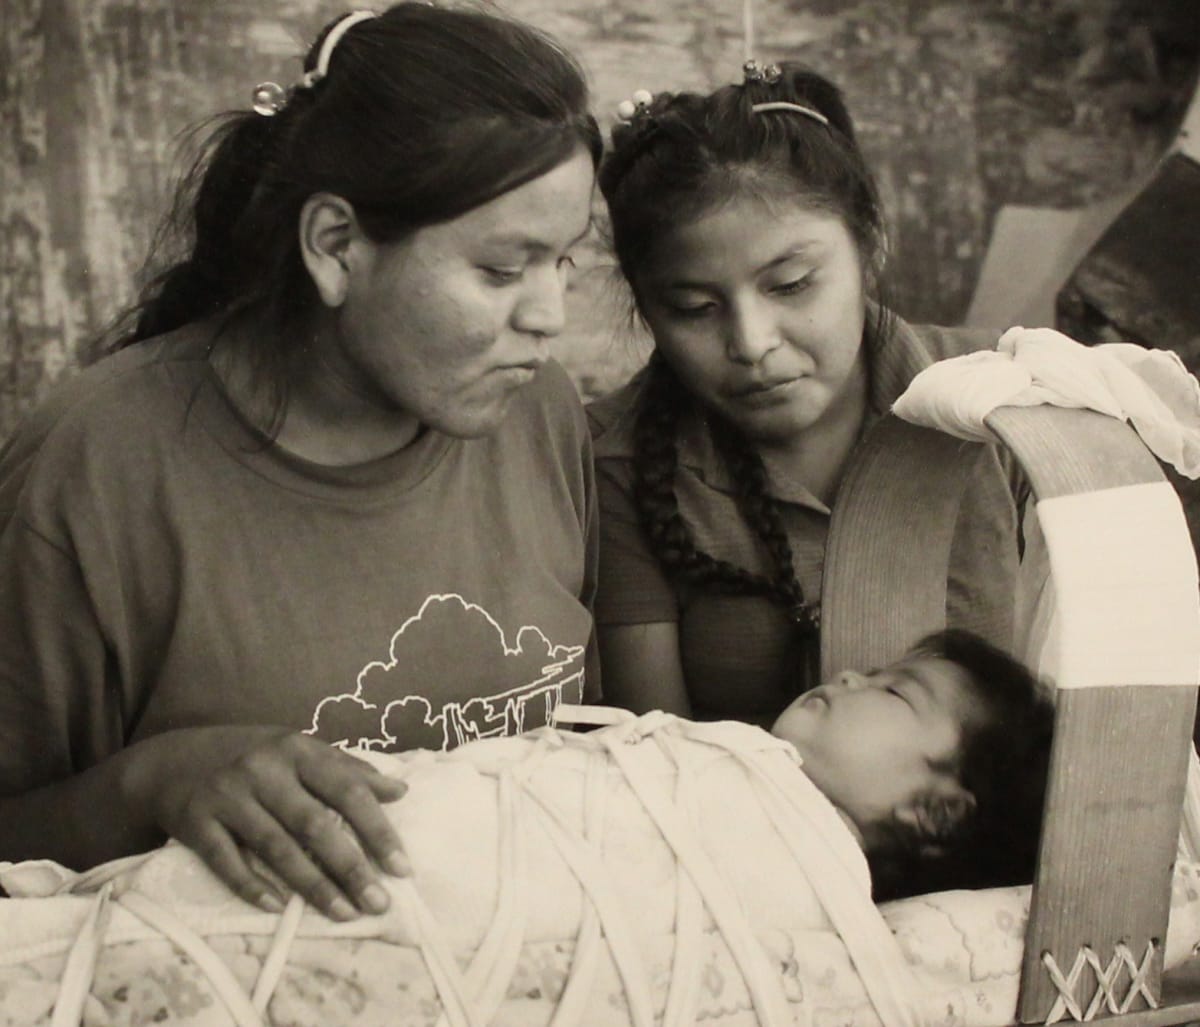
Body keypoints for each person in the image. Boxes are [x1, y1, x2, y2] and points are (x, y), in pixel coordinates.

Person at [0, 3, 602, 925]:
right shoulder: (93, 469)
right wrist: (155, 782)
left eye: (564, 260)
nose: (549, 316)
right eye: (500, 269)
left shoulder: (541, 414)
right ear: (335, 246)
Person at [0, 628, 1055, 1027]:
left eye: (894, 691)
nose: (847, 675)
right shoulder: (705, 763)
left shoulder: (802, 884)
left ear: (934, 808)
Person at [589, 63, 1023, 725]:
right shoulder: (619, 465)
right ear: (648, 311)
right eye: (694, 307)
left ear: (870, 245)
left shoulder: (1002, 399)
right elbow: (664, 761)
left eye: (791, 284)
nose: (752, 341)